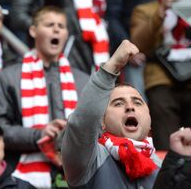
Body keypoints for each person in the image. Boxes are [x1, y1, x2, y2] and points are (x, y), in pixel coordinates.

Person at [0, 6, 89, 188]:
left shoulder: (83, 80)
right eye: (49, 24)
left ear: (66, 34)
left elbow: (95, 128)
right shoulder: (9, 76)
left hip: (77, 175)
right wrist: (38, 135)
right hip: (21, 178)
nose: (56, 29)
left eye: (61, 26)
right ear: (33, 31)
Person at [61, 40, 162, 188]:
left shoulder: (163, 168)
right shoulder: (90, 161)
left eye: (137, 102)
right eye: (118, 103)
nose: (130, 107)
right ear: (101, 122)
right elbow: (82, 122)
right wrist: (112, 65)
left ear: (149, 120)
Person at [130, 0, 191, 149]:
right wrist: (161, 11)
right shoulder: (145, 10)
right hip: (161, 80)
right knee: (166, 143)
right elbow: (137, 44)